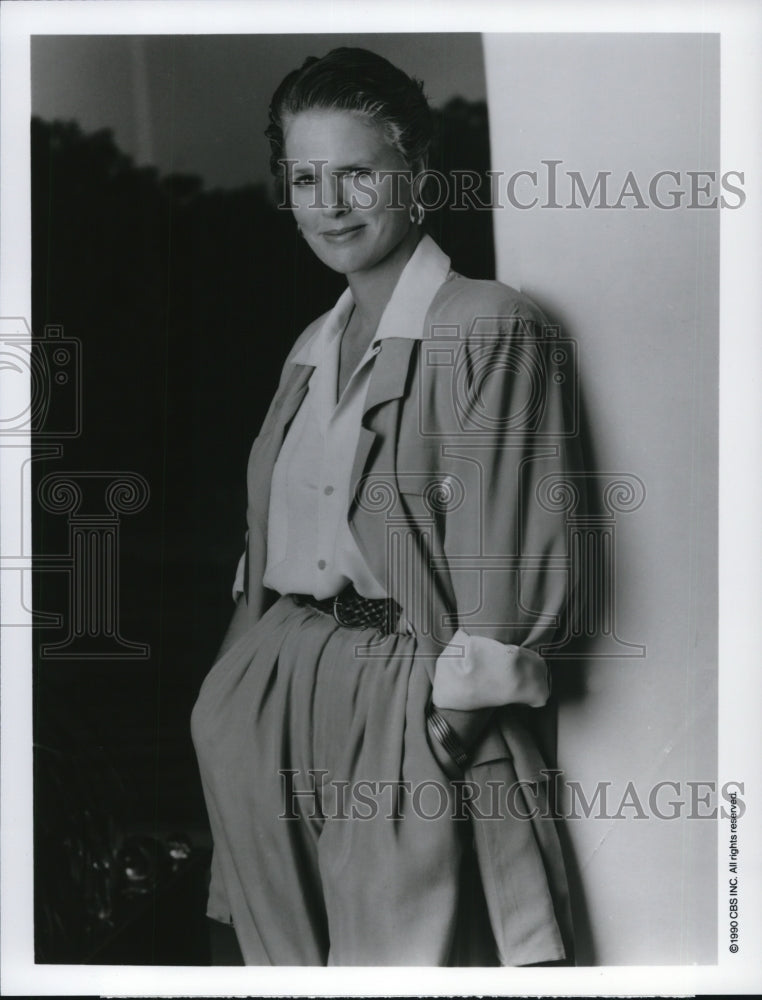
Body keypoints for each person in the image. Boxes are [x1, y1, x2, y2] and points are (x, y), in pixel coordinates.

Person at [191, 46, 580, 967]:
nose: (331, 204)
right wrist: (230, 701)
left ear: (419, 179)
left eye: (359, 173)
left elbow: (511, 551)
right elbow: (270, 543)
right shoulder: (309, 346)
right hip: (275, 695)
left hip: (403, 700)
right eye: (306, 178)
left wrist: (443, 732)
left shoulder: (487, 324)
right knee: (275, 967)